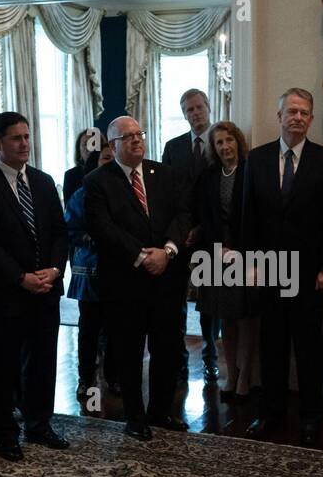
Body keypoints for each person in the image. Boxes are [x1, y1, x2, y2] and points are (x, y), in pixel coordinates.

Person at [0, 111, 69, 460]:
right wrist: (20, 277)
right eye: (16, 138)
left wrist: (53, 270)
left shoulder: (43, 181)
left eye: (26, 136)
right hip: (1, 295)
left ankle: (38, 425)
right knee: (1, 366)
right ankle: (5, 433)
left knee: (41, 362)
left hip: (45, 290)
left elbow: (59, 233)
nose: (24, 144)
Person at [241, 88, 323, 447]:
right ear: (279, 116)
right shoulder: (256, 159)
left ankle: (311, 417)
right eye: (291, 112)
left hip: (310, 273)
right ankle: (270, 413)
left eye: (304, 112)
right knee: (271, 345)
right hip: (268, 270)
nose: (297, 117)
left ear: (311, 119)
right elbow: (247, 216)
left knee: (308, 346)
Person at [84, 116, 190, 440]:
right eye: (127, 137)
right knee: (129, 351)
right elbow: (103, 229)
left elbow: (182, 215)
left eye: (139, 134)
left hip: (167, 280)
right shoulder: (98, 181)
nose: (136, 140)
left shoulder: (164, 174)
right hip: (124, 282)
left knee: (167, 349)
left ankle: (160, 412)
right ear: (112, 145)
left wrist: (167, 252)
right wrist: (145, 256)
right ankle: (135, 416)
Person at [196, 121, 257, 403]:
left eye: (229, 140)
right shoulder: (209, 176)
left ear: (238, 142)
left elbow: (261, 216)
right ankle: (230, 375)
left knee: (246, 318)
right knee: (226, 320)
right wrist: (218, 248)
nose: (224, 147)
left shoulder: (252, 171)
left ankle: (245, 378)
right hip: (217, 255)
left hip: (249, 255)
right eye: (219, 142)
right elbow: (206, 217)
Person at [161, 89, 217, 380]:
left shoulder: (222, 141)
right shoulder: (173, 147)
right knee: (177, 299)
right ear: (184, 114)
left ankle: (210, 355)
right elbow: (166, 194)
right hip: (180, 235)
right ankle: (180, 358)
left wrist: (202, 228)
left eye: (199, 107)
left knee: (209, 301)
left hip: (210, 234)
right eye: (189, 110)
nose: (195, 113)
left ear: (208, 107)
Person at [66, 136, 118, 399]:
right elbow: (71, 229)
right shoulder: (82, 192)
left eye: (112, 158)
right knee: (89, 328)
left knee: (115, 327)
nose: (110, 163)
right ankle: (86, 379)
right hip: (90, 270)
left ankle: (113, 377)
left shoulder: (125, 190)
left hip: (119, 270)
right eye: (105, 158)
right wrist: (98, 240)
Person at [63, 127, 100, 204]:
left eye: (93, 143)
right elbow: (69, 207)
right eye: (85, 144)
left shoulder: (109, 172)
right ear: (79, 150)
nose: (90, 148)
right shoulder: (70, 175)